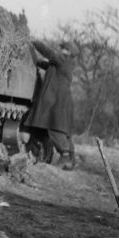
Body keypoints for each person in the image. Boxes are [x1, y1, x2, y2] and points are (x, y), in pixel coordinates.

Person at [24, 40, 77, 170]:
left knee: (55, 127)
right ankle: (71, 159)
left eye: (63, 49)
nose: (61, 50)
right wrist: (35, 60)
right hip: (62, 101)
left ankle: (64, 156)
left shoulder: (63, 60)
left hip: (59, 101)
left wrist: (34, 43)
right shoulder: (62, 63)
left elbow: (49, 54)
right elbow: (45, 64)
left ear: (69, 52)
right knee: (64, 130)